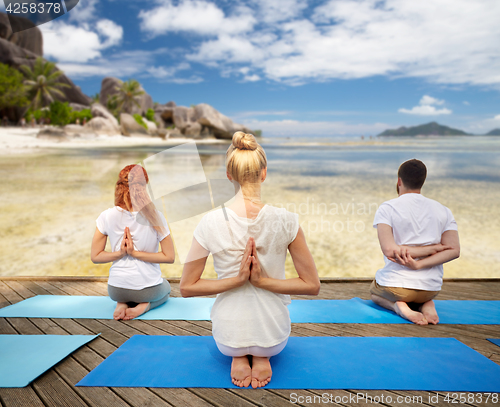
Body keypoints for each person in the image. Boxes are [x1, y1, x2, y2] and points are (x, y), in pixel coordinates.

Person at [180, 132, 320, 389]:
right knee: (266, 341)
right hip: (274, 337)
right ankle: (262, 355)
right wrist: (263, 281)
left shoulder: (209, 222)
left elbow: (187, 288)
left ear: (228, 175)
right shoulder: (287, 220)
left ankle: (239, 355)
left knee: (234, 340)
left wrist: (236, 281)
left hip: (227, 337)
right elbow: (312, 285)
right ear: (264, 173)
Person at [371, 159, 460, 325]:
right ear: (422, 181)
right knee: (421, 295)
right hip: (430, 289)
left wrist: (414, 260)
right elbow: (454, 250)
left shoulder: (388, 208)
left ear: (399, 181)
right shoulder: (443, 210)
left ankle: (399, 307)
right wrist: (429, 252)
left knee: (374, 293)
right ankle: (426, 303)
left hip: (396, 287)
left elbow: (390, 251)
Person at [91, 164, 175, 320]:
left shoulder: (106, 216)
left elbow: (95, 256)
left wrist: (120, 253)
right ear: (144, 186)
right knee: (167, 289)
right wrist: (135, 253)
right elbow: (169, 257)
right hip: (147, 290)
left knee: (125, 292)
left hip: (116, 290)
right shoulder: (155, 216)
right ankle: (144, 306)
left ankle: (121, 304)